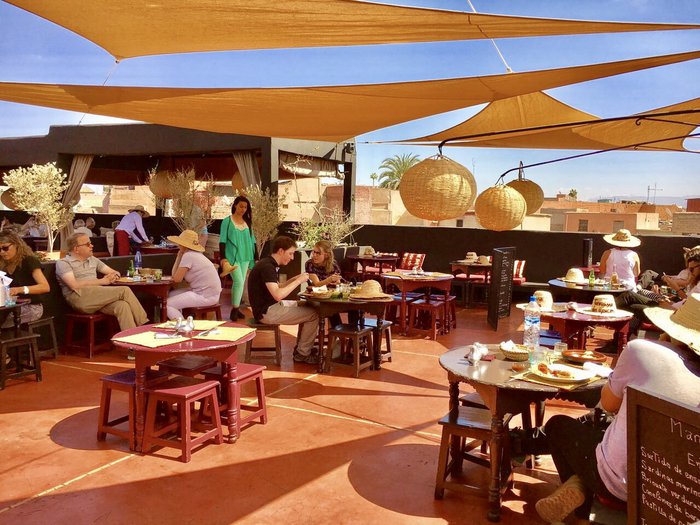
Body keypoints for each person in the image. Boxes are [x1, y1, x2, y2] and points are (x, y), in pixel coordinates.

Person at [533, 295, 700, 524]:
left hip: (618, 484)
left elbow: (608, 404)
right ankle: (579, 487)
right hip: (680, 501)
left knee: (558, 426)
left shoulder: (642, 351)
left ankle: (582, 497)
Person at [248, 235, 320, 364]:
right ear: (281, 251)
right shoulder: (267, 267)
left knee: (306, 305)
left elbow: (278, 286)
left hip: (269, 307)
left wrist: (294, 278)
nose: (292, 258)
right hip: (267, 312)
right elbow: (278, 295)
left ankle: (301, 348)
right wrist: (298, 281)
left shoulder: (268, 263)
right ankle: (303, 353)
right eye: (290, 253)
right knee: (314, 314)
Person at [55, 232, 148, 331]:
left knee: (122, 306)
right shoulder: (63, 263)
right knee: (124, 290)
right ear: (76, 249)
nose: (92, 246)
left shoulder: (92, 259)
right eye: (87, 244)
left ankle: (131, 338)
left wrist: (113, 276)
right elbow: (74, 285)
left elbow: (114, 272)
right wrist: (102, 281)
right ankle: (144, 326)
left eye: (90, 243)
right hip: (79, 298)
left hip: (97, 297)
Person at [166, 230, 222, 320]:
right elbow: (174, 275)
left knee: (167, 304)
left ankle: (183, 326)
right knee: (171, 295)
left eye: (180, 243)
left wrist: (180, 256)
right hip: (210, 294)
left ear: (184, 245)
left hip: (205, 296)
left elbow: (176, 279)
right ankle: (179, 318)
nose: (178, 245)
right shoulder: (194, 254)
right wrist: (179, 256)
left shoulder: (188, 256)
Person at [0, 230, 50, 328]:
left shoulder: (29, 261)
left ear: (16, 245)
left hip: (31, 306)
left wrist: (19, 289)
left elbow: (45, 287)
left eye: (5, 248)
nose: (2, 252)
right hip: (9, 305)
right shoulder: (2, 264)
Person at [220, 196, 256, 321]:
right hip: (232, 256)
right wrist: (223, 258)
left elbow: (253, 240)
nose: (243, 209)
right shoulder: (227, 221)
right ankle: (234, 310)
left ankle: (236, 308)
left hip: (246, 255)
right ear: (235, 205)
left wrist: (255, 256)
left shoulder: (247, 222)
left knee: (241, 282)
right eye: (241, 206)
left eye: (245, 207)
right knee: (239, 281)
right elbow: (222, 240)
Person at [305, 240, 344, 328]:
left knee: (354, 308)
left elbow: (337, 283)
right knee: (331, 308)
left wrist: (337, 282)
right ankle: (338, 333)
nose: (314, 255)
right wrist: (329, 280)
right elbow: (317, 284)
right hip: (316, 297)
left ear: (326, 255)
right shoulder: (309, 264)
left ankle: (353, 334)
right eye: (314, 252)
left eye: (318, 253)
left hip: (331, 296)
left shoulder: (334, 265)